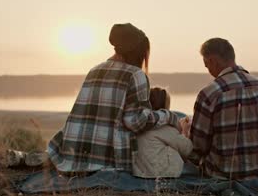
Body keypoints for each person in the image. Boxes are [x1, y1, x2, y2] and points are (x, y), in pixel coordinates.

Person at [45, 23, 181, 174]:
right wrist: (167, 116)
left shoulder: (95, 69)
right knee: (173, 118)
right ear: (138, 52)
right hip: (106, 162)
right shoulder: (135, 74)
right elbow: (136, 122)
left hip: (71, 156)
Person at [186, 38, 258, 180]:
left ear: (213, 61)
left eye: (206, 66)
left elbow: (198, 149)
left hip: (226, 174)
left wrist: (186, 133)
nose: (208, 71)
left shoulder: (209, 94)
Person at [132, 87, 193, 178]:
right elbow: (187, 149)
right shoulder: (164, 128)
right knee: (177, 149)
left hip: (140, 172)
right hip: (161, 173)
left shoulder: (141, 124)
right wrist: (184, 130)